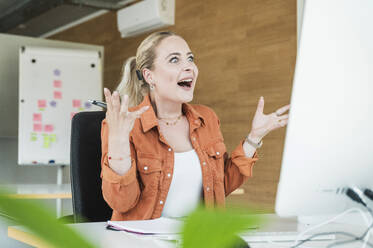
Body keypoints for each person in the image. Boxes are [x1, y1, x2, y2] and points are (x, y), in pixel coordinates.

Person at [101, 31, 289, 221]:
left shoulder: (207, 118)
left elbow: (220, 187)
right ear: (150, 76)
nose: (189, 67)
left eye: (190, 58)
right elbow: (122, 203)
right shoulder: (122, 125)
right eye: (174, 60)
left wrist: (255, 136)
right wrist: (118, 140)